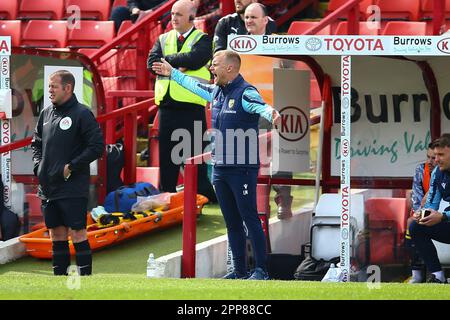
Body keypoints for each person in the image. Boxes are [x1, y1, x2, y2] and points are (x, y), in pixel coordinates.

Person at [152, 50, 281, 280]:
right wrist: (173, 74)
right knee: (231, 222)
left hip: (242, 169)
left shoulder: (245, 92)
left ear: (230, 68)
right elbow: (194, 86)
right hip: (220, 169)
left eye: (215, 64)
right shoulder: (218, 93)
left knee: (250, 218)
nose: (212, 68)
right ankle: (239, 271)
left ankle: (261, 270)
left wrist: (273, 114)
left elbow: (262, 107)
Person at [31, 70, 104, 276]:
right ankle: (59, 278)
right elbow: (36, 144)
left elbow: (97, 146)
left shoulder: (82, 113)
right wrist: (39, 166)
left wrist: (71, 166)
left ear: (68, 88)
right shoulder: (46, 113)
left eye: (54, 86)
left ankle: (85, 279)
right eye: (49, 87)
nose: (50, 90)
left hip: (72, 186)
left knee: (78, 233)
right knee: (56, 234)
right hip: (48, 187)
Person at [147, 0, 217, 203]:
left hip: (191, 109)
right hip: (167, 108)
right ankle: (167, 197)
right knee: (167, 160)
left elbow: (197, 58)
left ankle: (204, 196)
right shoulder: (162, 38)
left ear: (191, 17)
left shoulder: (203, 39)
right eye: (172, 13)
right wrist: (178, 63)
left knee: (196, 158)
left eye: (178, 14)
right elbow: (151, 63)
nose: (174, 18)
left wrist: (168, 62)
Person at [244, 2, 293, 219]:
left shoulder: (278, 45)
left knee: (281, 159)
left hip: (272, 111)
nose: (249, 21)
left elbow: (290, 72)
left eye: (253, 17)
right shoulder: (237, 46)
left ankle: (284, 199)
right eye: (246, 17)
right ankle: (253, 205)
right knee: (248, 161)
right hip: (246, 113)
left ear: (266, 21)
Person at [409, 133, 450, 284]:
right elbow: (432, 202)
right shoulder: (437, 173)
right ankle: (438, 276)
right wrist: (423, 214)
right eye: (435, 155)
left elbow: (442, 215)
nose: (436, 159)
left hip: (447, 216)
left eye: (441, 155)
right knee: (416, 226)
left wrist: (443, 216)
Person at [405, 141, 437, 283]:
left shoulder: (445, 172)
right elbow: (417, 198)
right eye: (428, 157)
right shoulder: (420, 170)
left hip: (440, 211)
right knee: (412, 222)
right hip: (425, 210)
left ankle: (434, 273)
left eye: (434, 157)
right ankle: (416, 272)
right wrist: (420, 213)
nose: (430, 161)